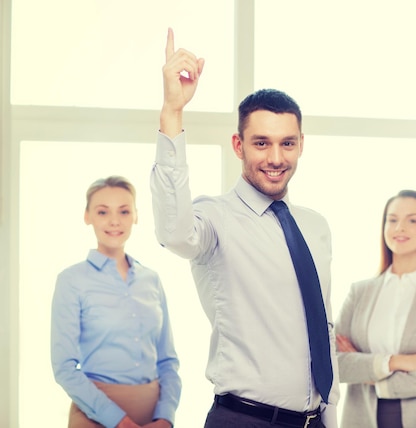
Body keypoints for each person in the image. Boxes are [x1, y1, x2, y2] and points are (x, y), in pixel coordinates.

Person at [150, 28, 339, 428]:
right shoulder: (215, 218)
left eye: (287, 143)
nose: (275, 157)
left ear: (302, 144)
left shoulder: (315, 226)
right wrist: (172, 112)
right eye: (261, 143)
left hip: (315, 420)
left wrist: (330, 413)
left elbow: (321, 326)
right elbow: (173, 232)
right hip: (244, 419)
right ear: (238, 145)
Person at [51, 176, 181, 428]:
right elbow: (64, 367)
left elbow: (168, 361)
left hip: (153, 417)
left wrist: (166, 417)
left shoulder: (151, 280)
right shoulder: (71, 280)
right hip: (94, 415)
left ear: (136, 215)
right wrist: (118, 421)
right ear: (87, 216)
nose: (114, 221)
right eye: (102, 211)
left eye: (124, 211)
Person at [335, 190, 416, 428]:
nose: (400, 227)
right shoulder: (358, 292)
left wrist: (374, 378)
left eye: (412, 220)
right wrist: (394, 362)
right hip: (362, 418)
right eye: (392, 220)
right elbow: (334, 364)